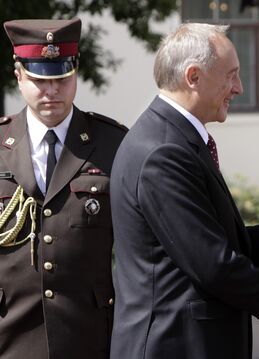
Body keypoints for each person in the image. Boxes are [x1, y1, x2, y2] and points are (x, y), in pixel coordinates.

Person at [109, 23, 259, 359]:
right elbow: (213, 264)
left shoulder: (171, 138)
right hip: (174, 346)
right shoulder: (163, 152)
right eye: (231, 75)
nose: (239, 88)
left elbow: (203, 240)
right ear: (193, 77)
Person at [0, 18, 127, 359]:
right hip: (10, 337)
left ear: (75, 73)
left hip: (90, 337)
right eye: (40, 80)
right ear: (19, 76)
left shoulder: (112, 144)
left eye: (61, 78)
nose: (52, 91)